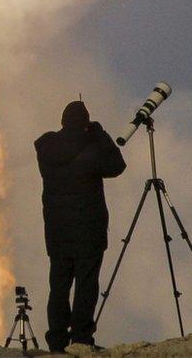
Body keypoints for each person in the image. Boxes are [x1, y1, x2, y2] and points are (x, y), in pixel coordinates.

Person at [35, 100, 126, 351]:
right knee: (86, 285)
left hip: (57, 231)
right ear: (85, 123)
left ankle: (56, 340)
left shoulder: (46, 147)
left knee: (59, 286)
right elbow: (117, 166)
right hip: (89, 230)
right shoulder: (92, 148)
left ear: (63, 121)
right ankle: (81, 339)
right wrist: (101, 134)